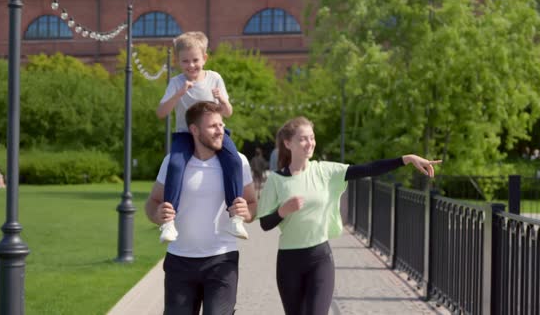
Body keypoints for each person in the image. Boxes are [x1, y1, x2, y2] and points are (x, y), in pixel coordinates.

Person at [257, 116, 441, 315]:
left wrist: (406, 159)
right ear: (288, 143)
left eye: (312, 137)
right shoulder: (276, 180)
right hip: (289, 262)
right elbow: (265, 224)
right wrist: (283, 210)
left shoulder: (324, 171)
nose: (309, 143)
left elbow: (366, 169)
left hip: (319, 259)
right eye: (303, 139)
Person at [146, 101, 257, 314]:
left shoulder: (238, 162)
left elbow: (252, 204)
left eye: (221, 125)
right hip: (179, 260)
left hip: (222, 259)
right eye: (213, 126)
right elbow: (152, 202)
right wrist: (157, 215)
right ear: (194, 130)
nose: (220, 131)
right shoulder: (173, 162)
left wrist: (247, 212)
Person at [156, 31, 246, 242]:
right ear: (178, 62)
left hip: (214, 133)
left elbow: (228, 112)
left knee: (233, 160)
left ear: (204, 58)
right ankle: (169, 223)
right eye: (185, 61)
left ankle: (235, 217)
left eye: (195, 60)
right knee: (176, 165)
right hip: (185, 134)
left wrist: (222, 100)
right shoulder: (177, 83)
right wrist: (178, 94)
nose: (191, 65)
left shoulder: (214, 78)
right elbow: (161, 112)